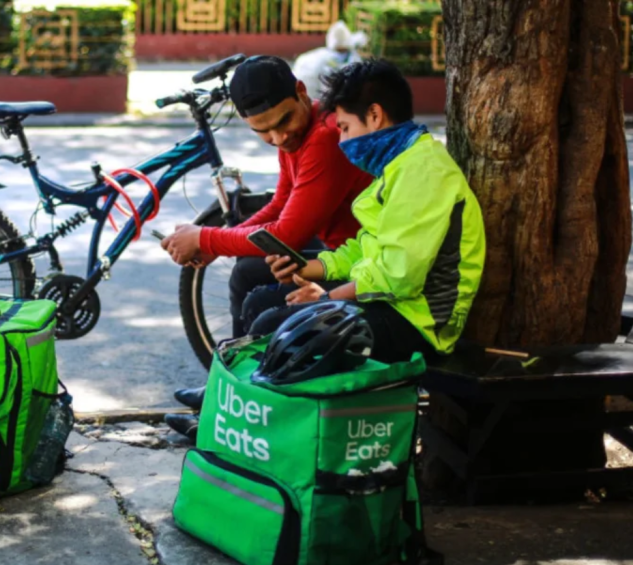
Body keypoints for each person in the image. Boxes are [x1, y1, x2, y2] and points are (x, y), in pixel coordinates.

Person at [167, 58, 486, 439]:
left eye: (346, 128)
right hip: (391, 301)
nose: (343, 140)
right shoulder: (400, 164)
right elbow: (366, 247)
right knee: (261, 305)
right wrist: (315, 273)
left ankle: (254, 427)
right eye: (262, 132)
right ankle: (237, 412)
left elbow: (395, 276)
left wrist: (328, 296)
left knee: (277, 322)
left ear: (374, 115)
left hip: (419, 322)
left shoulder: (421, 172)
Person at [161, 55, 372, 412]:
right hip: (344, 258)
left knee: (262, 307)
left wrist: (205, 238)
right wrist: (215, 244)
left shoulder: (323, 138)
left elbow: (286, 232)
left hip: (365, 268)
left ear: (301, 92)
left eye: (284, 120)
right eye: (262, 131)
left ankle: (245, 401)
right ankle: (227, 384)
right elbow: (280, 205)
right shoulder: (296, 138)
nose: (278, 137)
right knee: (246, 271)